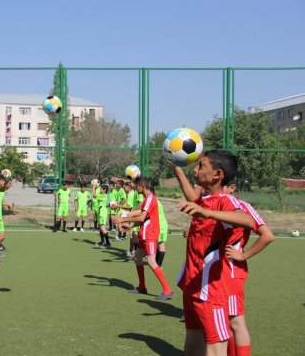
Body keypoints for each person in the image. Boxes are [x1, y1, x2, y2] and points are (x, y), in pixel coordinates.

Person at [172, 149, 254, 356]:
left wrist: (207, 213)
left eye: (202, 166)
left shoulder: (226, 201)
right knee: (192, 346)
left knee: (216, 348)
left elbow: (247, 220)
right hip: (192, 285)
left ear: (218, 174)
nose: (196, 171)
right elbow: (194, 198)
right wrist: (177, 168)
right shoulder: (204, 200)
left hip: (211, 290)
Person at [223, 181, 274, 356]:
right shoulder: (215, 207)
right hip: (216, 274)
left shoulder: (243, 207)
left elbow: (267, 236)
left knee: (235, 321)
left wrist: (243, 255)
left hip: (231, 271)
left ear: (231, 187)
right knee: (224, 321)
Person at [116, 177, 173, 300]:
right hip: (144, 234)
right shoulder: (148, 199)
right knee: (137, 258)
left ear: (143, 186)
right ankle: (142, 286)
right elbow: (144, 218)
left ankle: (167, 290)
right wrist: (130, 225)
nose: (135, 188)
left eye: (136, 186)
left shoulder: (150, 198)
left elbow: (141, 218)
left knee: (152, 262)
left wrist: (123, 219)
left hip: (150, 236)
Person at [93, 183, 111, 247]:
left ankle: (108, 243)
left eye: (101, 189)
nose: (100, 190)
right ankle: (102, 241)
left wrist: (94, 187)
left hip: (102, 214)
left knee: (103, 228)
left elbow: (94, 195)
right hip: (101, 213)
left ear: (105, 190)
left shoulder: (104, 196)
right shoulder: (103, 195)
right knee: (100, 228)